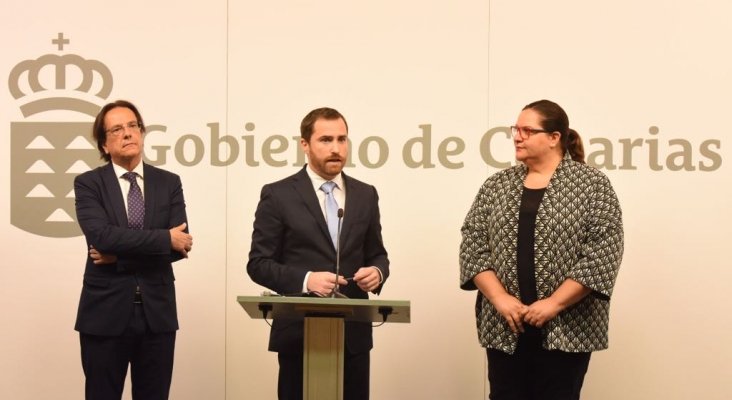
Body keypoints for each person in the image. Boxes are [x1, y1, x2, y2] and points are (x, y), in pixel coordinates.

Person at [459, 99, 624, 400]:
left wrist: (554, 304)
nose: (517, 136)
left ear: (554, 138)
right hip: (506, 326)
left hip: (567, 328)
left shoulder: (592, 184)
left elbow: (603, 252)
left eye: (527, 130)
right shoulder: (497, 185)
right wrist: (500, 298)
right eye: (515, 129)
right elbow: (472, 244)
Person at [247, 107, 389, 400]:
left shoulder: (366, 194)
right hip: (299, 334)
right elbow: (258, 264)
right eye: (325, 140)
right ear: (305, 145)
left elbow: (377, 254)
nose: (336, 149)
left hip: (353, 337)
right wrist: (306, 280)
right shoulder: (278, 195)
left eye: (342, 139)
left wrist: (377, 273)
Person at [74, 100, 193, 400]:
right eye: (117, 129)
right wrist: (163, 238)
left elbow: (181, 245)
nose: (128, 133)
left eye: (133, 126)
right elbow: (102, 237)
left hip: (157, 313)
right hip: (105, 313)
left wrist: (119, 257)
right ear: (104, 142)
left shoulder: (169, 182)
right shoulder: (89, 184)